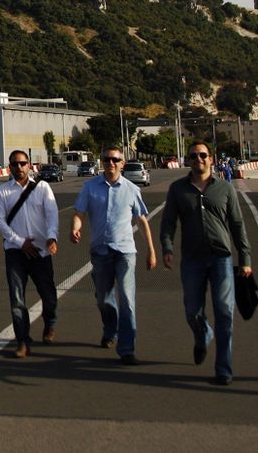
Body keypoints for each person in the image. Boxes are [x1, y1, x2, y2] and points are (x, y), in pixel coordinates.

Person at [160, 140, 252, 385]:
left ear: (211, 159)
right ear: (187, 160)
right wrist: (167, 247)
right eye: (193, 156)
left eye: (202, 155)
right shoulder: (178, 189)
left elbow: (237, 225)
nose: (198, 159)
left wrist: (245, 258)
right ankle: (203, 334)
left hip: (221, 258)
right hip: (191, 259)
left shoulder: (225, 189)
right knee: (192, 310)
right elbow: (168, 222)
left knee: (224, 312)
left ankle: (224, 369)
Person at [71, 146, 156, 364]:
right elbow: (79, 212)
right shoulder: (90, 187)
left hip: (125, 252)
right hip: (100, 252)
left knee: (127, 299)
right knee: (103, 299)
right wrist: (75, 227)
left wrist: (151, 251)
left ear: (122, 164)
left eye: (115, 160)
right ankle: (110, 330)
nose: (110, 163)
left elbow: (142, 221)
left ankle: (127, 348)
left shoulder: (131, 189)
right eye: (107, 159)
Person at [0, 148, 61, 358]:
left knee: (48, 296)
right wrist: (20, 242)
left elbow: (52, 214)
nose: (19, 167)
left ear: (29, 165)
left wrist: (52, 237)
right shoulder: (3, 191)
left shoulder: (42, 188)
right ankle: (23, 340)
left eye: (23, 163)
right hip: (15, 252)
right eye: (15, 164)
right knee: (17, 299)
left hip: (40, 251)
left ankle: (50, 323)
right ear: (10, 167)